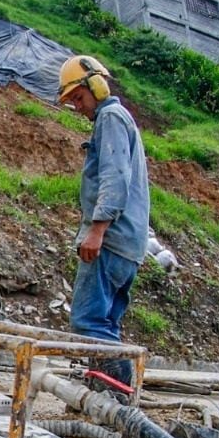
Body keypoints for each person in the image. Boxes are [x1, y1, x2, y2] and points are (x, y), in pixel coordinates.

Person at [57, 54, 150, 388]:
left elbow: (114, 176)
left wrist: (96, 230)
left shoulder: (110, 117)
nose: (78, 107)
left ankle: (112, 399)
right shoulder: (122, 120)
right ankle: (114, 396)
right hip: (129, 244)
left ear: (96, 84)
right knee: (107, 324)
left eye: (78, 98)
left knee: (89, 322)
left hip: (110, 240)